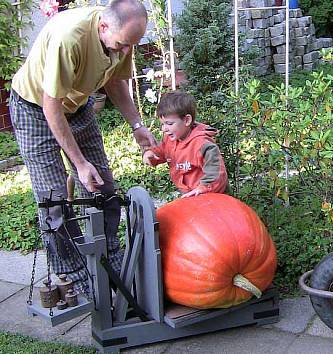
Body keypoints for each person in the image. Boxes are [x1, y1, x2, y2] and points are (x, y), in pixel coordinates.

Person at [9, 0, 156, 292]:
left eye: (131, 45)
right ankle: (76, 274)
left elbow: (115, 82)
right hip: (35, 109)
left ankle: (109, 256)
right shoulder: (70, 38)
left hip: (77, 106)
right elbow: (51, 106)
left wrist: (137, 126)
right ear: (103, 26)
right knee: (53, 199)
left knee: (102, 187)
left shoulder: (121, 38)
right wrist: (78, 163)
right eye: (123, 44)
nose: (126, 51)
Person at [143, 91, 228, 197]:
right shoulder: (171, 139)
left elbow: (216, 172)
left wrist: (204, 188)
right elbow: (162, 150)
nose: (164, 129)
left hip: (208, 196)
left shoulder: (201, 144)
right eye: (162, 124)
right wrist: (150, 154)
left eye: (169, 123)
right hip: (189, 195)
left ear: (187, 120)